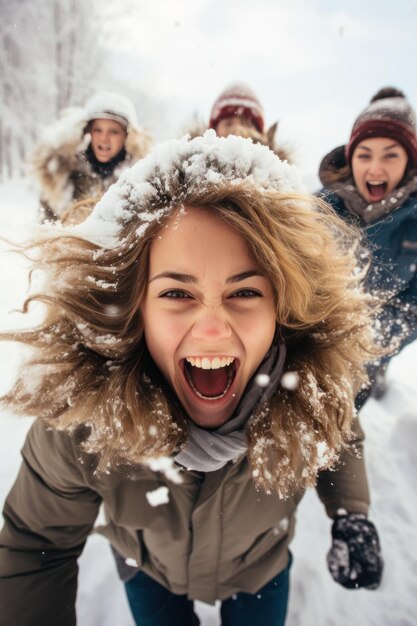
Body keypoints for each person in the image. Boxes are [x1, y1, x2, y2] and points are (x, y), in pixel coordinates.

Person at [0, 132, 383, 626]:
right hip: (149, 574)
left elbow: (341, 434)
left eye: (244, 292)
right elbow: (36, 544)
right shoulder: (85, 417)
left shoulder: (310, 388)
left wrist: (350, 511)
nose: (211, 329)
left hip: (259, 571)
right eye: (177, 294)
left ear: (283, 310)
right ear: (133, 307)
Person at [318, 87, 417, 401]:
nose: (375, 169)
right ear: (350, 158)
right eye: (364, 155)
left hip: (371, 352)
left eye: (390, 155)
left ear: (409, 162)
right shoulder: (320, 210)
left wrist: (368, 341)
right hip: (314, 352)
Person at [30, 90, 152, 223]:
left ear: (127, 135)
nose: (104, 139)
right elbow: (45, 230)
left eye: (114, 132)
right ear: (88, 131)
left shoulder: (140, 182)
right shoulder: (62, 176)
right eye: (98, 130)